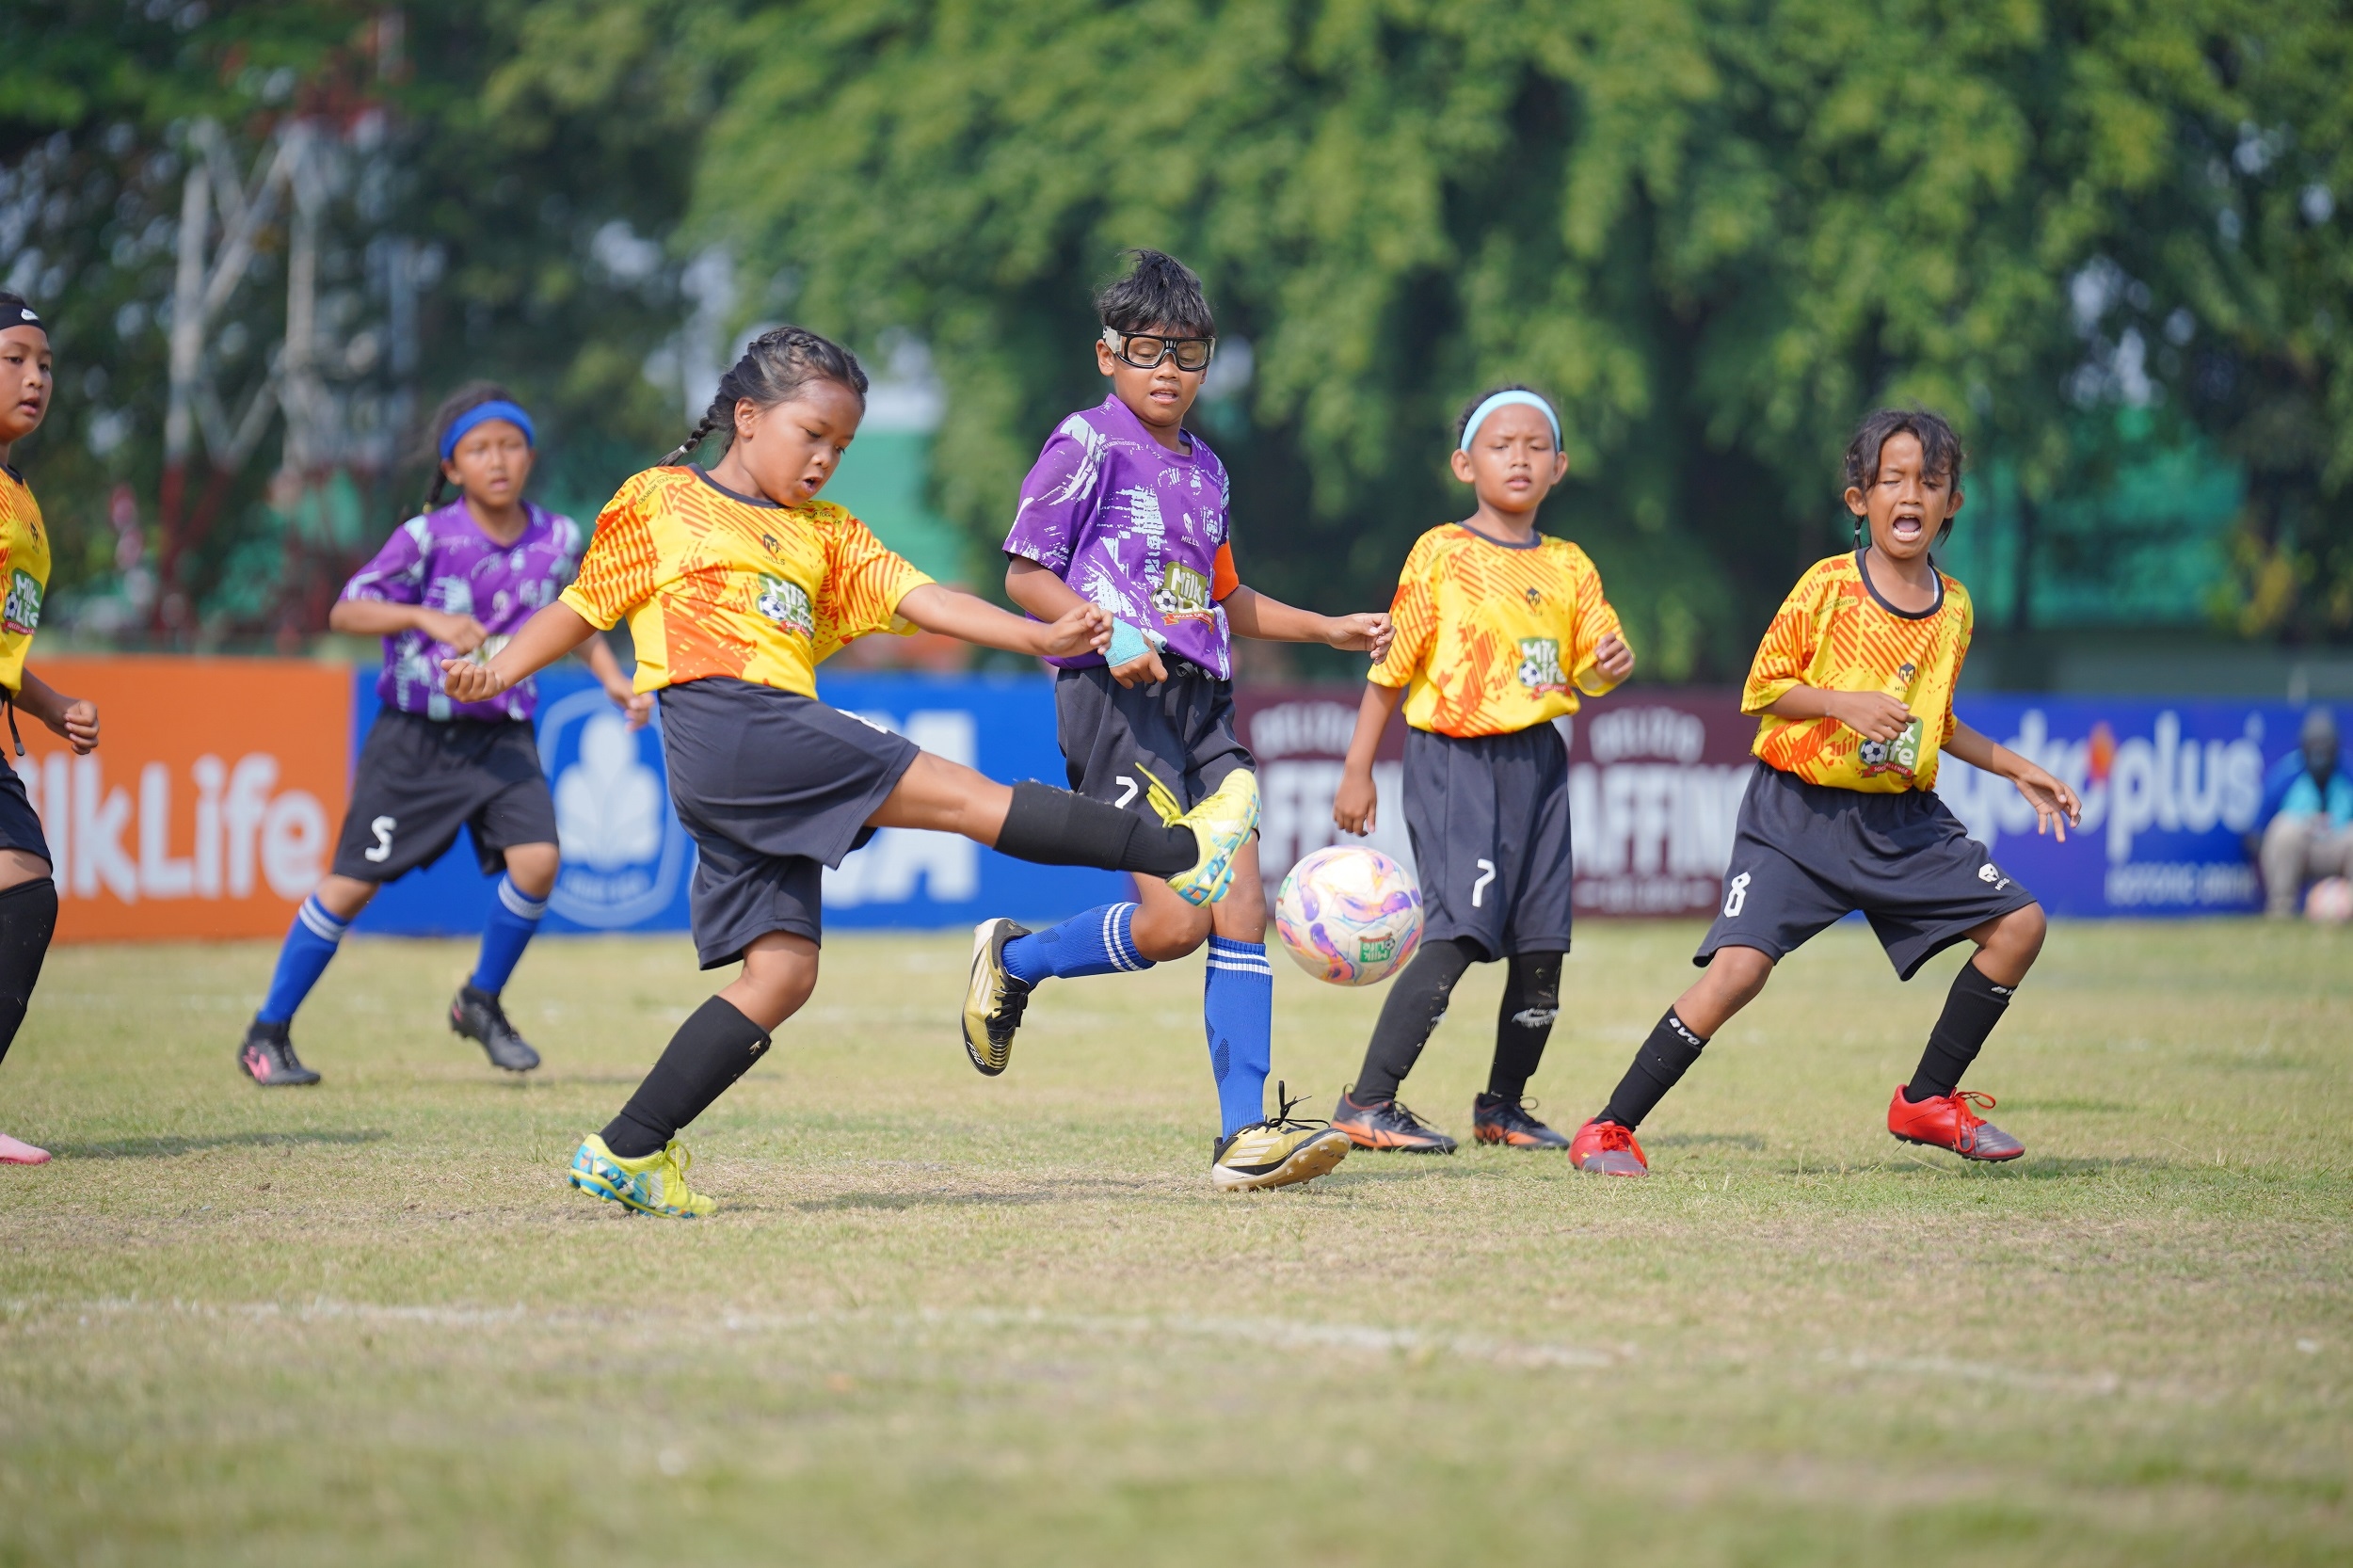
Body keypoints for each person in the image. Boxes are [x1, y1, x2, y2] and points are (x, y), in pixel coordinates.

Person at [440, 325, 1257, 1218]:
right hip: (736, 724)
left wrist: (1038, 635)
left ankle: (627, 1148)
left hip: (742, 760)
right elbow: (581, 605)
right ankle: (1183, 851)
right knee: (966, 799)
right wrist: (499, 670)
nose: (825, 459)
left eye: (842, 445)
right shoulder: (661, 500)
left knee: (783, 975)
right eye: (812, 435)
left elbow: (926, 599)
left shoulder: (826, 535)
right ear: (747, 418)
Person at [963, 248, 1391, 1192]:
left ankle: (1245, 1135)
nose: (1169, 369)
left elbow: (1224, 596)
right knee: (1173, 925)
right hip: (1115, 700)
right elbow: (1025, 575)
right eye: (1148, 349)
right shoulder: (1086, 442)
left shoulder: (1209, 470)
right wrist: (1107, 634)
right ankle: (1018, 960)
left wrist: (1326, 627)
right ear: (1107, 354)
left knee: (1240, 904)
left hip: (1204, 704)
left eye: (1189, 353)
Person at [1563, 408, 2082, 1176]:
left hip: (1902, 822)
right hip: (1796, 816)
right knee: (1738, 972)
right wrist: (1843, 704)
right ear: (1860, 500)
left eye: (1930, 481)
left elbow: (1934, 722)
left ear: (1953, 502)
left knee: (2020, 927)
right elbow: (1763, 688)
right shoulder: (1828, 587)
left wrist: (2013, 766)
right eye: (1893, 479)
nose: (1911, 494)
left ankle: (1927, 1100)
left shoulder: (1956, 608)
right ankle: (1608, 1129)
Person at [235, 384, 648, 1087]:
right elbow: (347, 612)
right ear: (452, 467)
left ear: (530, 456)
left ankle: (479, 1001)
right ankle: (266, 1033)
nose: (498, 460)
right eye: (479, 450)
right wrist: (424, 618)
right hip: (415, 741)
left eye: (511, 446)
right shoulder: (425, 538)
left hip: (503, 736)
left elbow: (571, 619)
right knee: (350, 888)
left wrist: (611, 675)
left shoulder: (557, 538)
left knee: (539, 862)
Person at [1325, 386, 1634, 1153]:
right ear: (1465, 464)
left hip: (1539, 764)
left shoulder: (1570, 565)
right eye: (1502, 445)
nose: (1520, 458)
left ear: (1560, 466)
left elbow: (1589, 664)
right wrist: (1358, 768)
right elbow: (1391, 670)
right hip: (1455, 760)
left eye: (1536, 446)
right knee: (1459, 931)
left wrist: (1609, 666)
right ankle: (1366, 1102)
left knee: (1543, 944)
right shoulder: (1442, 553)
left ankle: (1503, 1107)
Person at [0, 294, 102, 1165]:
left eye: (45, 365)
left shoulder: (21, 501)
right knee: (24, 884)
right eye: (14, 359)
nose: (35, 378)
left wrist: (52, 703)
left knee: (25, 887)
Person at [2255, 707, 2352, 917]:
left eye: (2326, 746)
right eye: (2314, 746)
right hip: (2303, 850)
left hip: (2338, 847)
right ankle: (2281, 908)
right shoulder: (2286, 775)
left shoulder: (2348, 772)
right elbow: (2257, 831)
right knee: (2284, 830)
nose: (2320, 754)